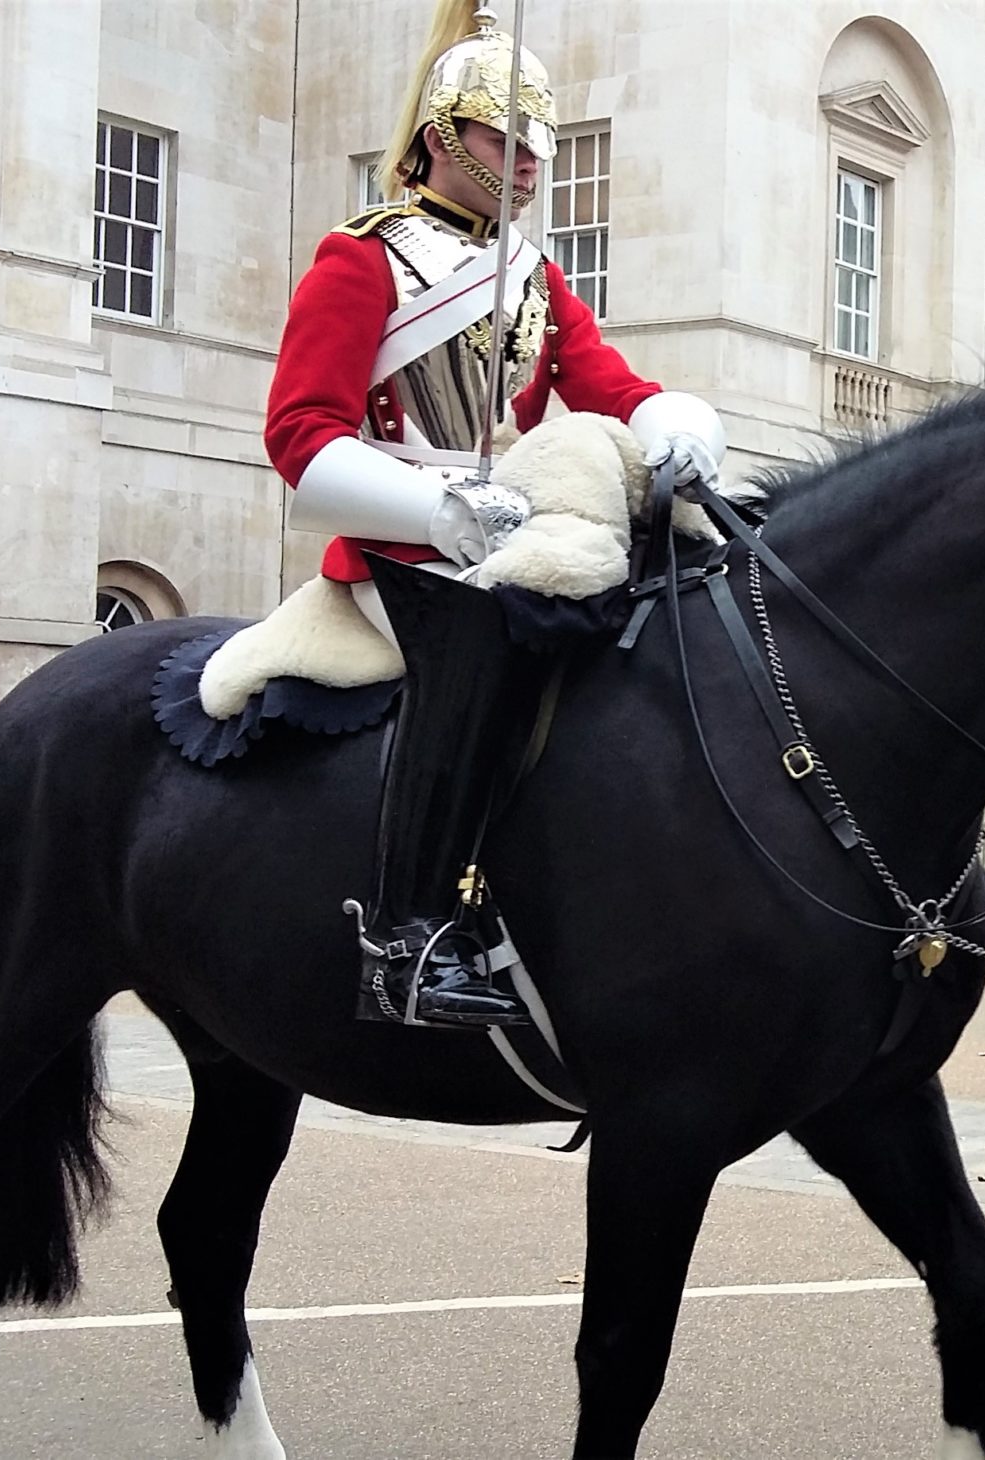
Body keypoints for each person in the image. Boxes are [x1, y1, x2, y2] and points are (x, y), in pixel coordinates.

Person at [264, 0, 728, 1028]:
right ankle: (408, 935)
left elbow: (603, 381)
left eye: (537, 148)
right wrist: (439, 513)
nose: (527, 164)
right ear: (441, 138)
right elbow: (300, 435)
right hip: (397, 545)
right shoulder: (363, 257)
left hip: (512, 532)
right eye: (502, 141)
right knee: (476, 652)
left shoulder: (534, 277)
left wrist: (670, 421)